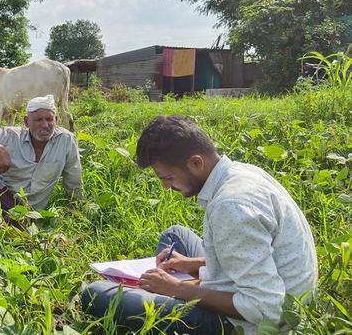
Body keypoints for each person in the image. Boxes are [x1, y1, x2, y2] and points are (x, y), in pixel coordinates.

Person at [81, 115, 318, 334]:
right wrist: (191, 264)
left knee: (95, 294)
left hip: (249, 323)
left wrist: (177, 289)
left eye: (168, 178)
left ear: (196, 163)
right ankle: (161, 293)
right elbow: (258, 253)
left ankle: (162, 301)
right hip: (264, 285)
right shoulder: (239, 173)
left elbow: (267, 309)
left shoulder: (232, 205)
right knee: (176, 235)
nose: (165, 187)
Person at [0, 94, 83, 216]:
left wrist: (77, 207)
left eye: (49, 119)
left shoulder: (66, 140)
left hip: (31, 211)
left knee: (14, 227)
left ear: (56, 120)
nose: (45, 125)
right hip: (0, 194)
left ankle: (6, 221)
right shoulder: (11, 136)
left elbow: (73, 178)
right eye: (38, 120)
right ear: (27, 122)